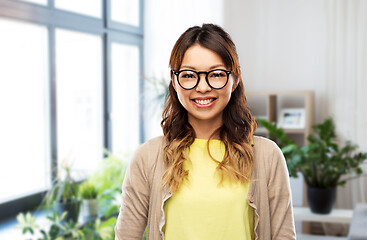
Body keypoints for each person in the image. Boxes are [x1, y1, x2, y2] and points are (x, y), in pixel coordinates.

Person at [115, 23, 296, 240]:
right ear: (174, 81)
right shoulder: (147, 157)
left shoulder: (267, 156)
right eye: (189, 75)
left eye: (216, 74)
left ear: (234, 80)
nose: (202, 87)